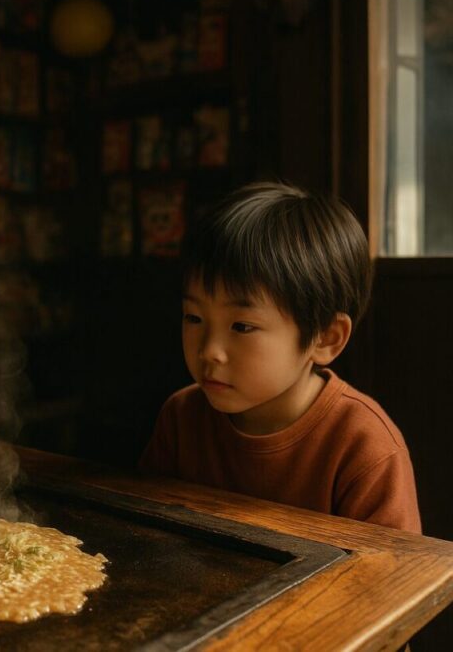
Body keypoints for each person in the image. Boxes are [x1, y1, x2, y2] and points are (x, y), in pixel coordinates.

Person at [139, 182, 421, 533]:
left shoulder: (364, 446)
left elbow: (395, 582)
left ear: (326, 338)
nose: (209, 350)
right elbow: (147, 536)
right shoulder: (181, 418)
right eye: (194, 318)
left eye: (241, 326)